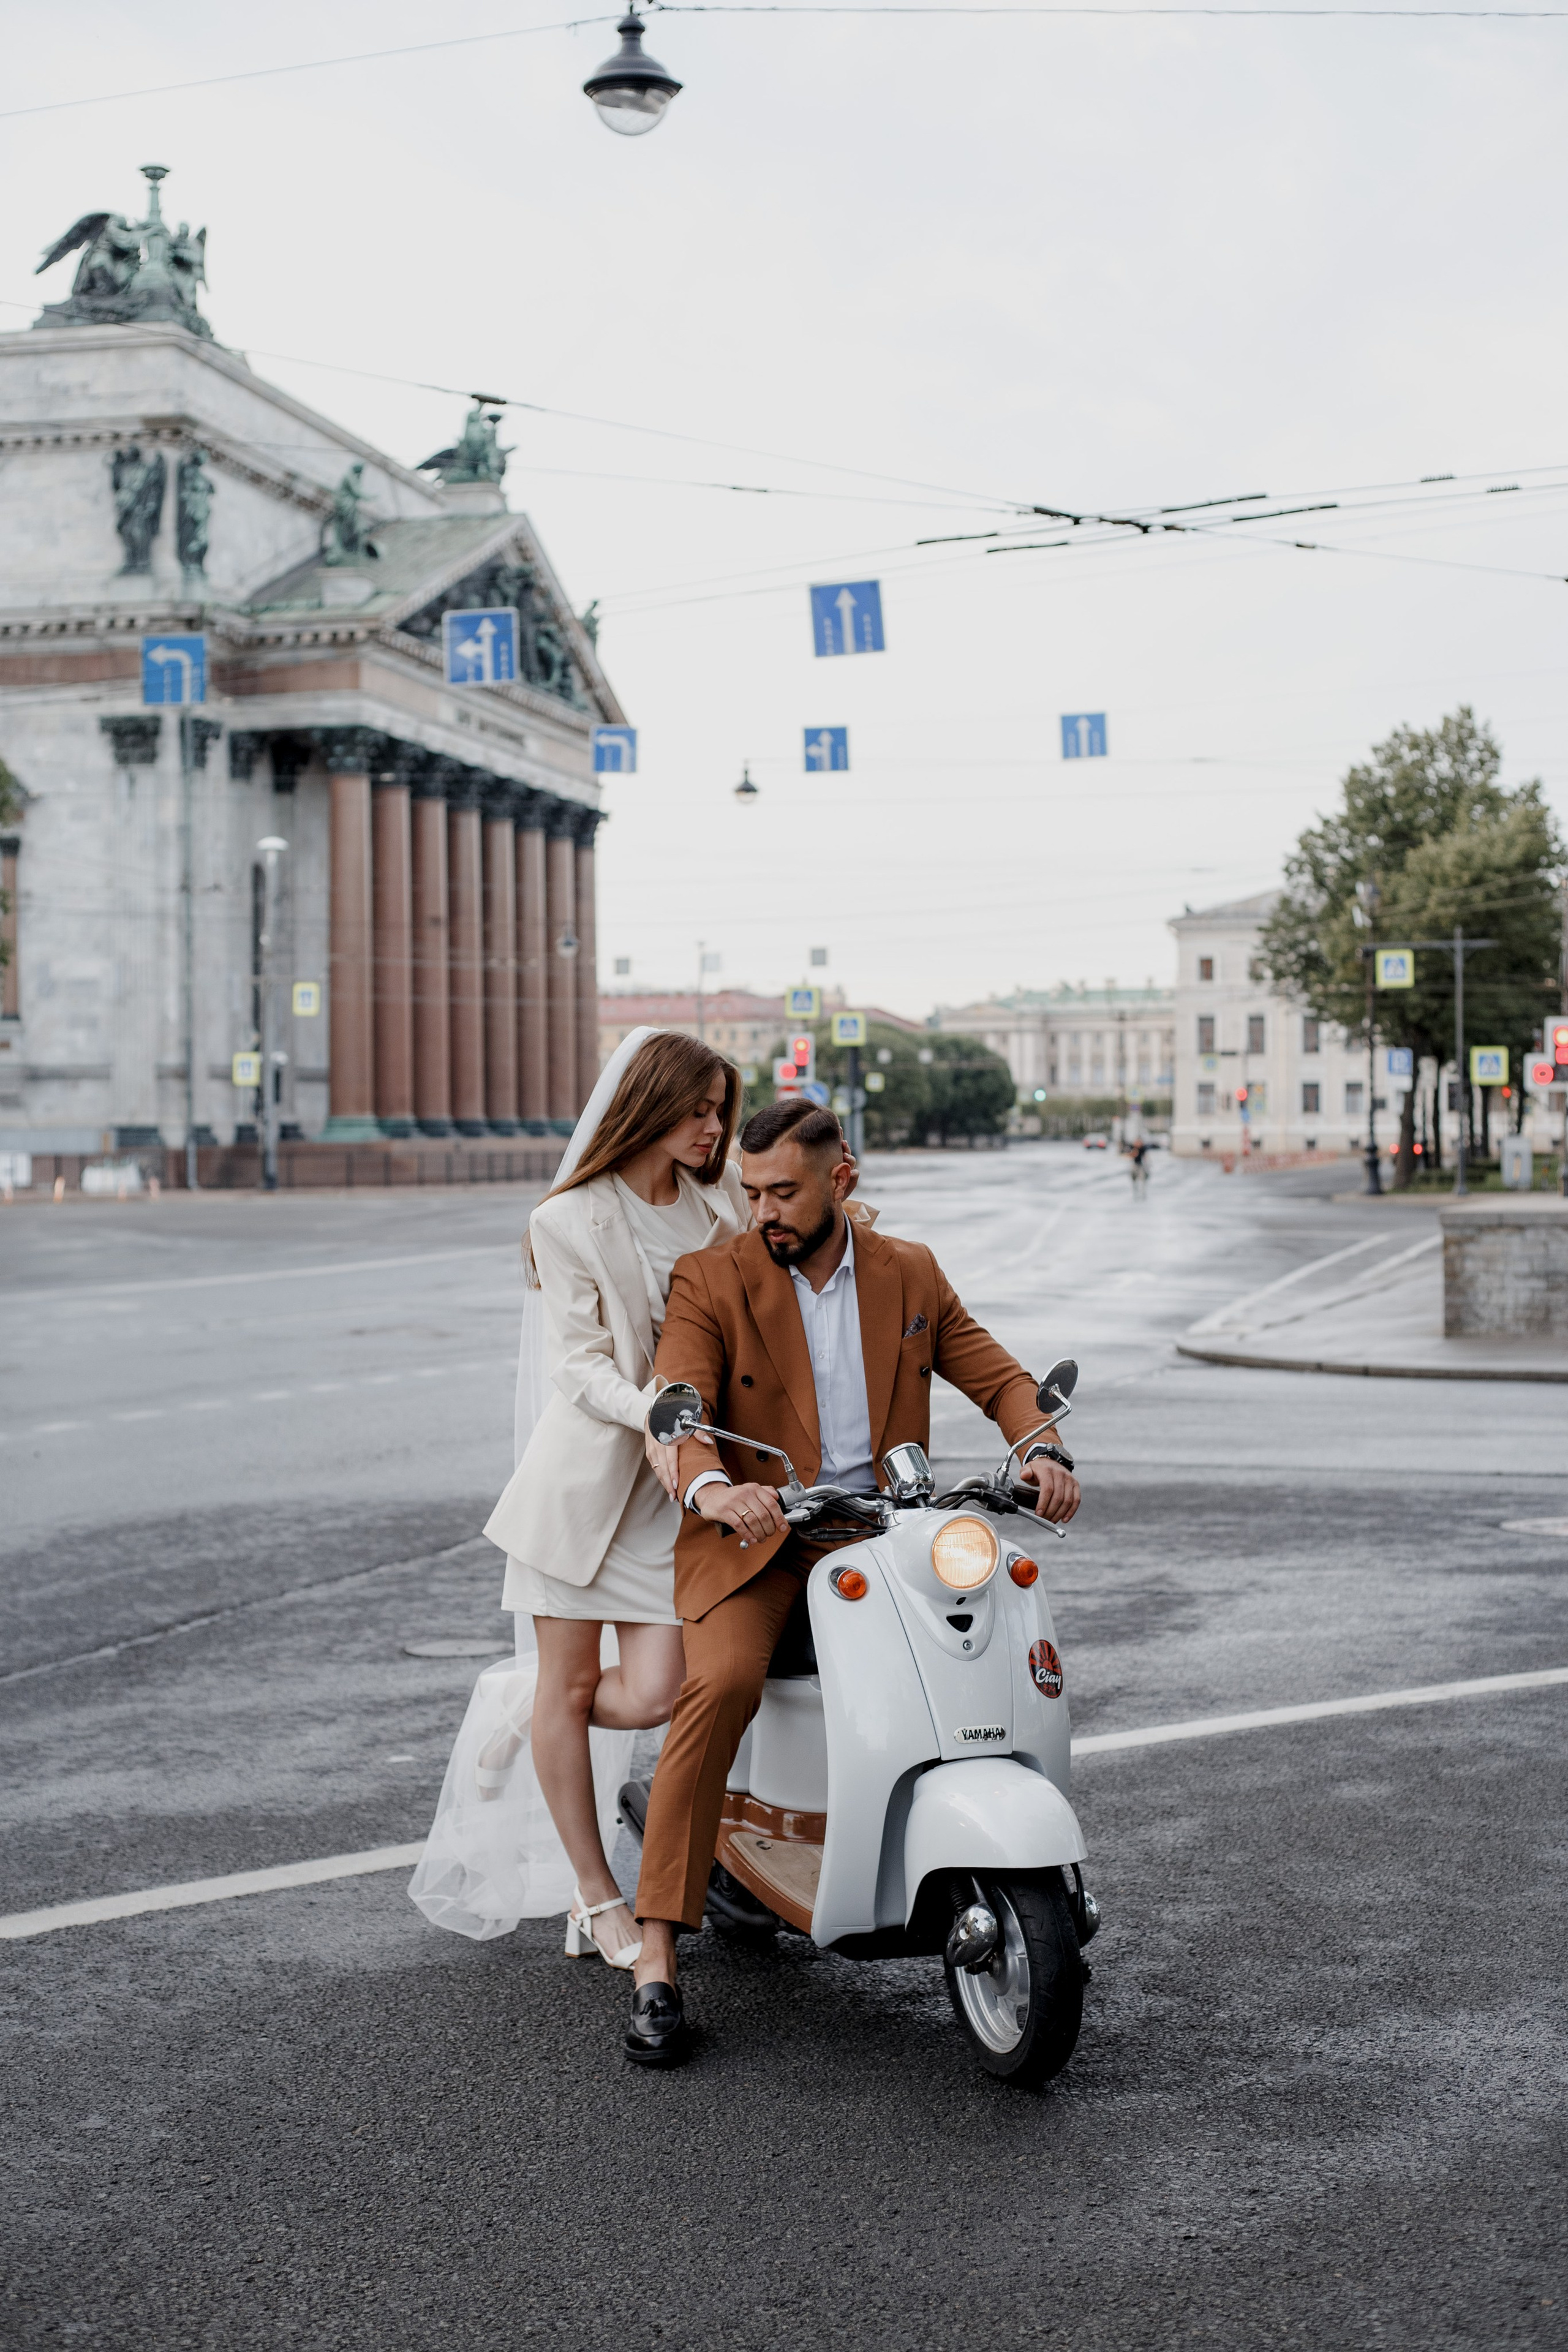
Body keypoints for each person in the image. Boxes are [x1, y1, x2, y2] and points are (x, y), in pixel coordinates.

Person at [622, 1096, 1082, 2066]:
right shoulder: (712, 1277)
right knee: (727, 1684)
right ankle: (656, 1952)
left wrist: (1039, 1446)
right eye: (751, 1193)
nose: (763, 1213)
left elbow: (996, 1375)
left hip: (885, 1530)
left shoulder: (906, 1271)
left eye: (783, 1191)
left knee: (984, 1646)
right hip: (760, 1533)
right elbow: (682, 1398)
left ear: (843, 1178)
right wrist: (712, 1485)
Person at [409, 1028, 747, 1965]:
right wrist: (660, 1414)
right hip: (584, 1490)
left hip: (674, 1497)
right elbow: (577, 1366)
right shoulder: (566, 1219)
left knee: (657, 1693)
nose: (714, 1128)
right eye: (699, 1109)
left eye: (721, 1111)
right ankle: (598, 1897)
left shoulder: (719, 1206)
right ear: (651, 1104)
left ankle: (524, 1711)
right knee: (572, 1688)